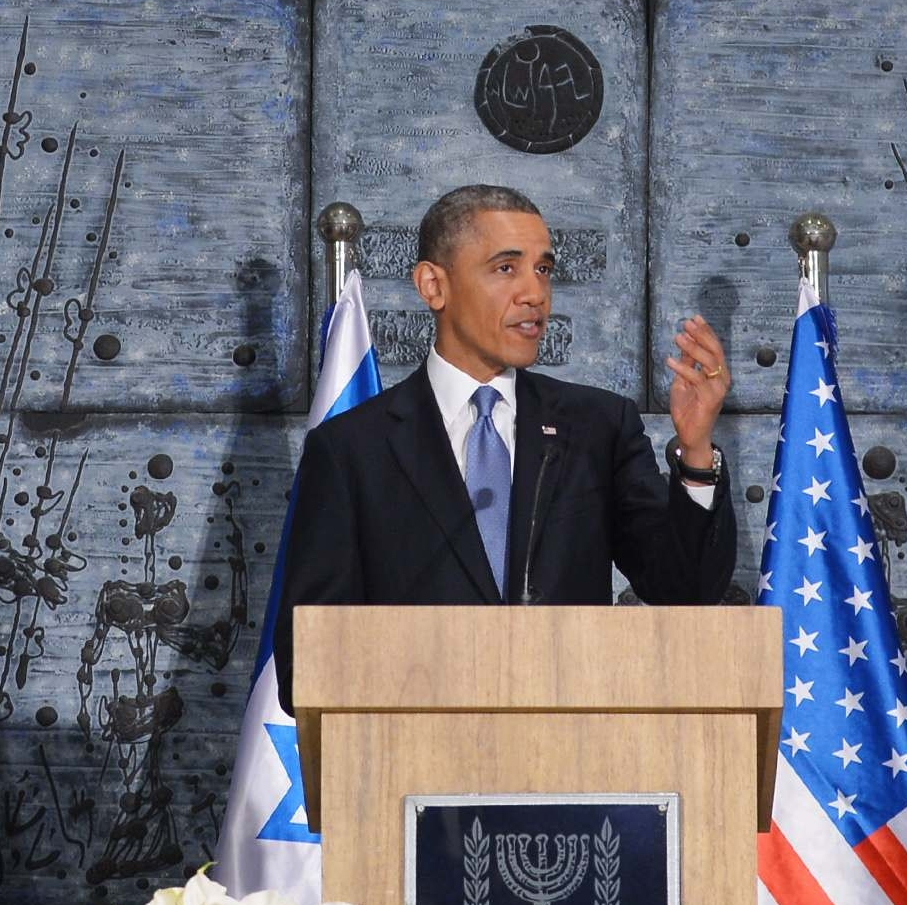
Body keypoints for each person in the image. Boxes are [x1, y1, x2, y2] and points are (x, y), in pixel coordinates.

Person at [274, 183, 738, 710]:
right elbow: (304, 667)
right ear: (433, 285)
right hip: (412, 773)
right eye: (505, 268)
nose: (534, 294)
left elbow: (686, 590)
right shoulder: (351, 449)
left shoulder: (597, 428)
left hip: (575, 766)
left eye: (543, 269)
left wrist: (696, 454)